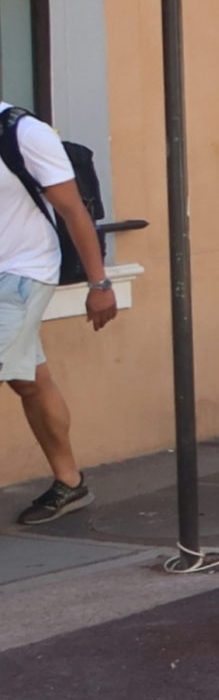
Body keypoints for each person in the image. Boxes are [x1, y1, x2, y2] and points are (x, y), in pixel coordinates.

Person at [0, 105, 118, 524]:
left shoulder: (24, 133)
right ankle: (70, 482)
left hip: (20, 274)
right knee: (29, 380)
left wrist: (99, 284)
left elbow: (73, 211)